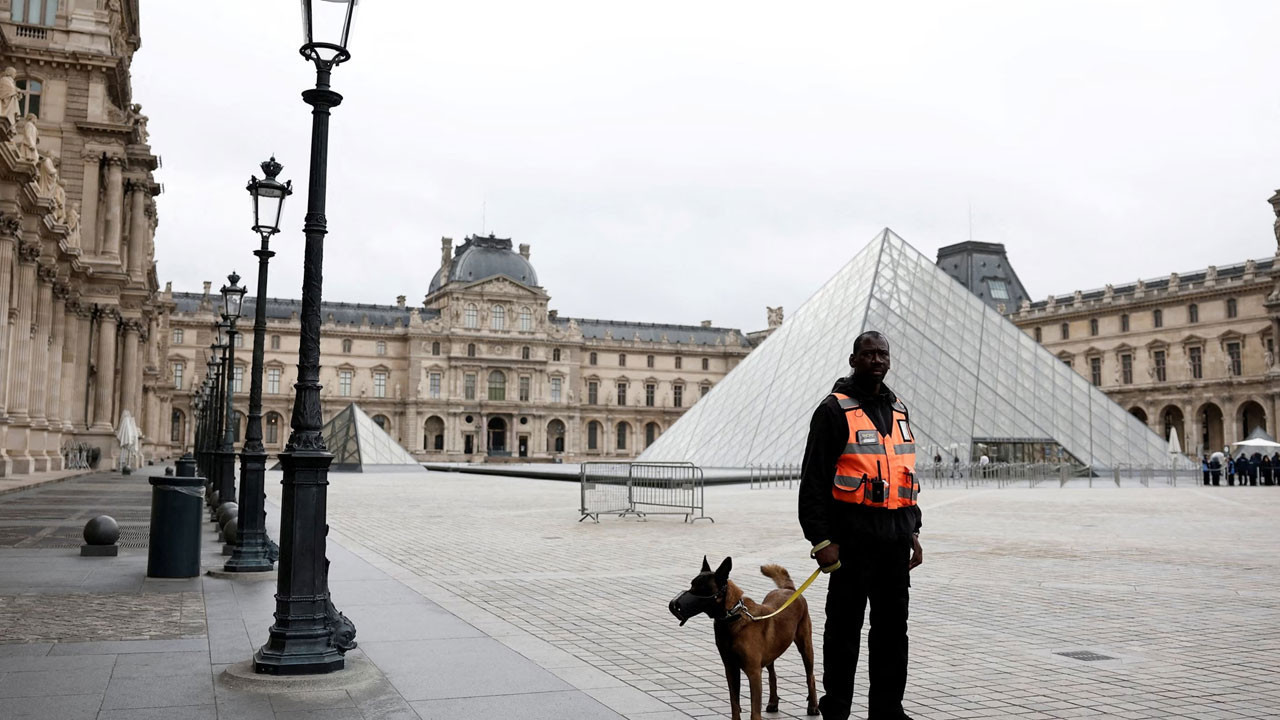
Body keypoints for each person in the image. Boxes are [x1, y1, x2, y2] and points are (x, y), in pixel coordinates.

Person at [799, 330, 922, 720]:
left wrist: (914, 530)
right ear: (853, 360)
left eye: (882, 354)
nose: (877, 360)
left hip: (894, 541)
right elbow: (813, 480)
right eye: (868, 354)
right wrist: (821, 540)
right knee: (843, 631)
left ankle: (888, 710)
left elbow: (904, 474)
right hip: (850, 542)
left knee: (892, 632)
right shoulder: (833, 409)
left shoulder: (899, 408)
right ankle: (836, 709)